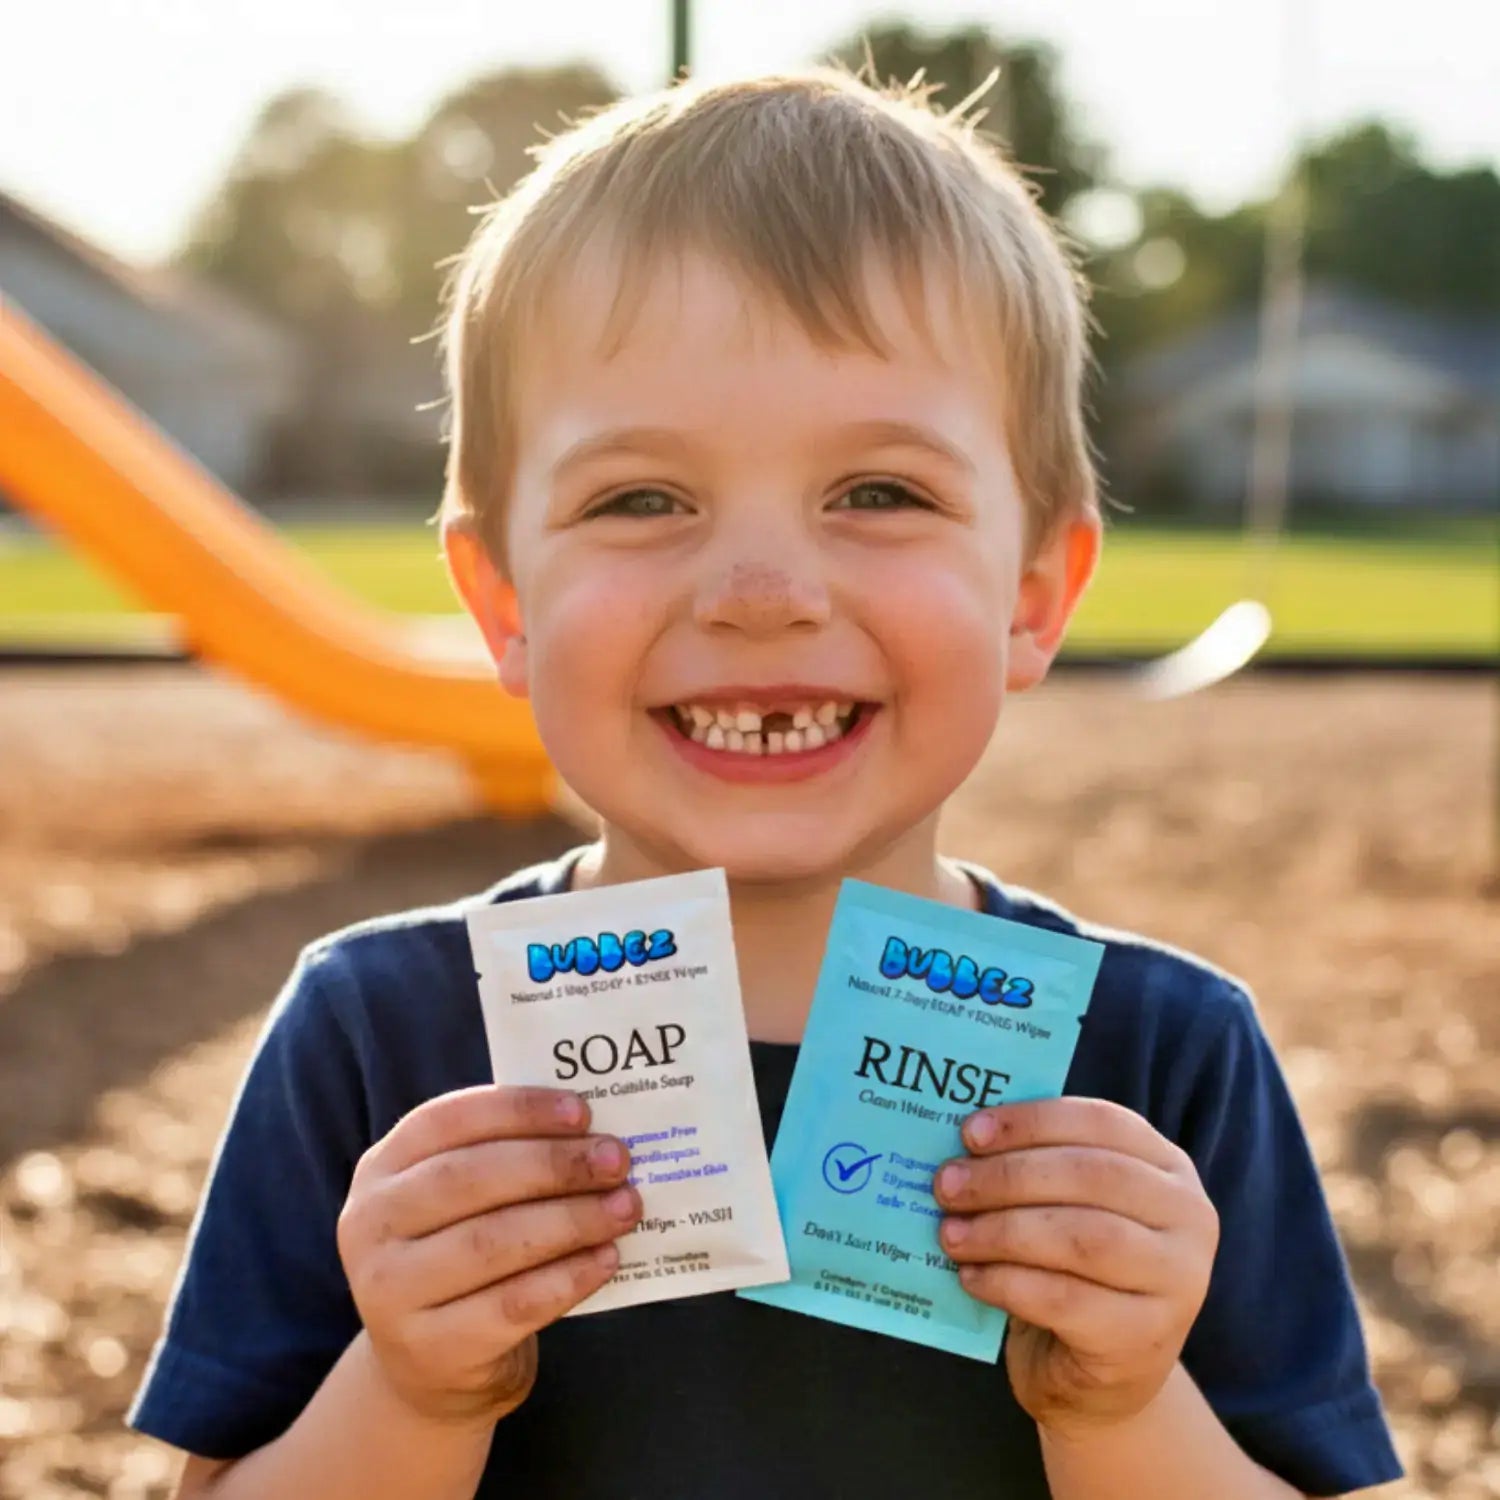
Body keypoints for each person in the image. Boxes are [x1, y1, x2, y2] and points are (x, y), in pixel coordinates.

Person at [126, 67, 1405, 1499]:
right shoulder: (377, 1039)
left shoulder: (1167, 1063)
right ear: (503, 604)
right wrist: (416, 1391)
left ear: (1035, 591)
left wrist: (1119, 1407)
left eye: (878, 493)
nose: (761, 591)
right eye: (641, 500)